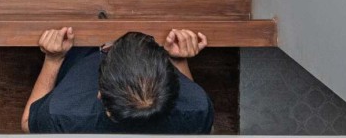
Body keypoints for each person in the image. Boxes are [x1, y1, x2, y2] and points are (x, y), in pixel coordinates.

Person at [22, 26, 214, 134]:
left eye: (107, 51)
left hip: (78, 58)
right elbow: (195, 115)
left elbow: (27, 122)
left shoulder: (63, 112)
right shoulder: (197, 108)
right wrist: (179, 60)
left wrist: (53, 59)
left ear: (99, 94)